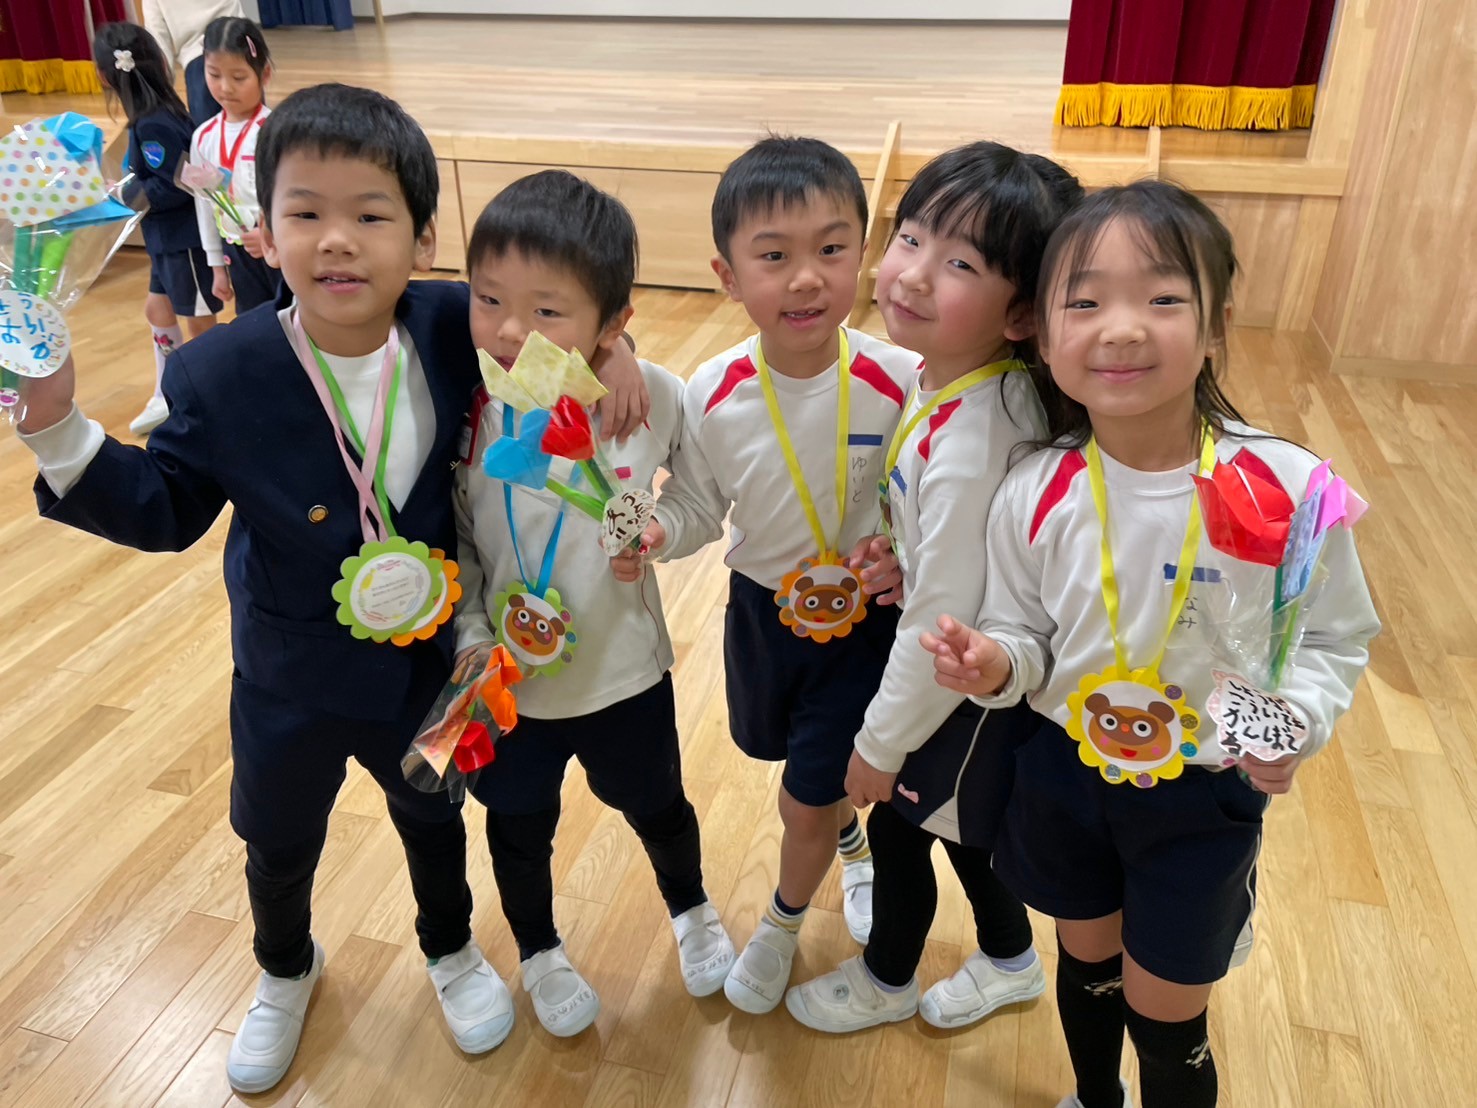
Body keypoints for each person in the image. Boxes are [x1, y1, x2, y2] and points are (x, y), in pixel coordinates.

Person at [14, 83, 646, 1094]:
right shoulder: (221, 372)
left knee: (431, 812)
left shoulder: (455, 327)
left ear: (424, 238)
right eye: (305, 212)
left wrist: (622, 358)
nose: (337, 239)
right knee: (276, 836)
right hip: (287, 672)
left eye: (370, 214)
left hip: (425, 661)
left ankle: (449, 946)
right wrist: (57, 427)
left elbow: (550, 335)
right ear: (263, 231)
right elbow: (166, 508)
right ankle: (283, 966)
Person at [926, 180, 1380, 1108]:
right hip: (1065, 770)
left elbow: (1336, 635)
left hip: (1200, 794)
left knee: (1166, 1007)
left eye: (1163, 298)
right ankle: (1096, 1096)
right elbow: (1025, 634)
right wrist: (998, 663)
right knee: (1086, 958)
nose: (1122, 328)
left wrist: (1296, 718)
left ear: (1215, 327)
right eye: (1084, 302)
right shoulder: (1034, 488)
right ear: (1042, 336)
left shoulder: (1288, 486)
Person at [786, 142, 1082, 1034]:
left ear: (1021, 312)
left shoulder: (977, 434)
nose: (911, 273)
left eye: (959, 264)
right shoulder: (952, 376)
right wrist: (902, 551)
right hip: (968, 670)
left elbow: (941, 613)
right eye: (910, 237)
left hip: (969, 685)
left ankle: (885, 979)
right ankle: (1010, 959)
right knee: (959, 830)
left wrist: (877, 747)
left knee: (901, 828)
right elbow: (954, 547)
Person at [612, 135, 911, 1015]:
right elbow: (699, 508)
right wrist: (657, 532)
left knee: (804, 795)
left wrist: (902, 550)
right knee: (781, 754)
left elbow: (928, 502)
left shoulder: (903, 381)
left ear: (863, 251)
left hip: (865, 621)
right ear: (727, 276)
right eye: (773, 257)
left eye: (831, 248)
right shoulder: (709, 391)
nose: (807, 278)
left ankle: (781, 923)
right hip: (763, 613)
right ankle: (850, 847)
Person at [453, 170, 736, 1038]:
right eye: (489, 299)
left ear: (613, 323)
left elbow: (700, 502)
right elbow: (457, 534)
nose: (510, 331)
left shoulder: (649, 396)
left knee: (657, 804)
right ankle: (538, 948)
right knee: (515, 823)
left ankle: (689, 905)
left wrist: (661, 533)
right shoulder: (462, 396)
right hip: (508, 678)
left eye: (547, 311)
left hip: (622, 672)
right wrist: (471, 634)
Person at [92, 21, 222, 436]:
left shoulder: (153, 125)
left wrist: (123, 194)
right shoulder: (152, 118)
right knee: (158, 310)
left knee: (199, 322)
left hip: (185, 241)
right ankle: (169, 392)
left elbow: (179, 185)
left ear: (104, 77)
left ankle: (212, 398)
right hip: (165, 242)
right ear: (161, 64)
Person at [189, 16, 277, 314]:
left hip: (277, 248)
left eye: (239, 78)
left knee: (293, 321)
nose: (225, 88)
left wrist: (272, 235)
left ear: (264, 74)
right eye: (214, 74)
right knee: (252, 324)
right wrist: (216, 265)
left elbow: (293, 197)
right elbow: (205, 204)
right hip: (236, 252)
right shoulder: (203, 138)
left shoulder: (275, 130)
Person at [142, 0, 245, 125]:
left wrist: (163, 91)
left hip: (198, 58)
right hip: (238, 44)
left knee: (207, 130)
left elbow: (159, 42)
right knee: (256, 126)